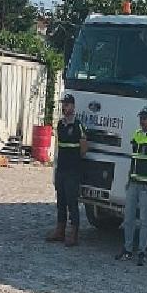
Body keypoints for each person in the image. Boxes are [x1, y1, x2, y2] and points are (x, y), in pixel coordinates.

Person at [115, 107, 147, 266]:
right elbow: (134, 159)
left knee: (144, 220)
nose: (142, 122)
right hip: (134, 183)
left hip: (146, 185)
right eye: (141, 119)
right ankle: (128, 249)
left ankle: (142, 251)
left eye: (144, 118)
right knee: (128, 218)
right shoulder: (136, 135)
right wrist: (129, 178)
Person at [46, 94, 87, 247]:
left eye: (67, 105)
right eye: (63, 105)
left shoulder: (78, 125)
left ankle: (74, 233)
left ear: (73, 107)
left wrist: (76, 162)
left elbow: (84, 148)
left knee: (72, 202)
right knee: (61, 201)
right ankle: (60, 230)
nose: (65, 107)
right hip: (61, 168)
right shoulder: (60, 125)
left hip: (73, 170)